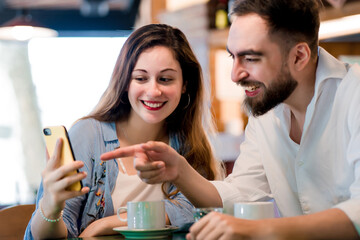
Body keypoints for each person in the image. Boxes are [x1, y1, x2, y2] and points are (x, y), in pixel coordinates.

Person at [100, 0, 360, 239]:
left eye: (250, 58)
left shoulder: (354, 94)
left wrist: (258, 229)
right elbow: (240, 193)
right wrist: (179, 171)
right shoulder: (267, 111)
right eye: (232, 57)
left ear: (299, 56)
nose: (235, 75)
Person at [24, 23, 224, 239]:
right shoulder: (89, 135)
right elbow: (55, 233)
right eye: (140, 78)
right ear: (125, 82)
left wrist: (111, 222)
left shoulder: (190, 144)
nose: (153, 90)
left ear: (185, 84)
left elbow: (202, 211)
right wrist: (50, 207)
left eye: (165, 79)